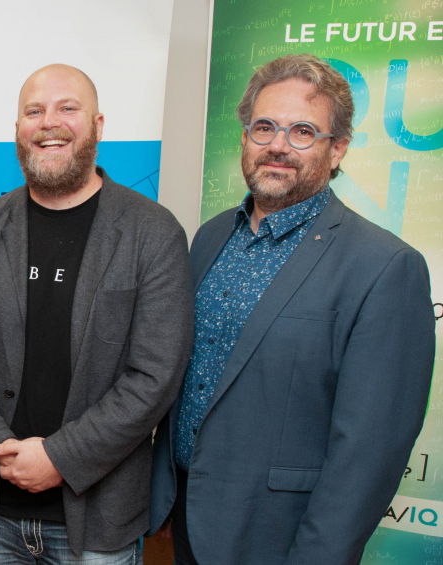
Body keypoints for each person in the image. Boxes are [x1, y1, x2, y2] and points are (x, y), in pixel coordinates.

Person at [148, 53, 436, 565]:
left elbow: (369, 452)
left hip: (282, 538)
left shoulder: (386, 267)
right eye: (264, 127)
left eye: (303, 131)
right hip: (188, 522)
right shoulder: (210, 237)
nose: (278, 145)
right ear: (244, 138)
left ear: (337, 148)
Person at [0, 64, 194, 564]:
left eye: (67, 108)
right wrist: (1, 447)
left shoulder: (153, 233)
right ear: (17, 130)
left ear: (97, 124)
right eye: (34, 111)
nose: (49, 122)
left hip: (99, 523)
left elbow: (155, 376)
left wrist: (57, 458)